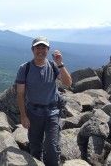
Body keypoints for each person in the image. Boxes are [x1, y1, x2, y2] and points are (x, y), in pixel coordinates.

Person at [16, 36, 72, 166]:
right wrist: (23, 116)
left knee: (51, 147)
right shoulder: (25, 68)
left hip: (52, 112)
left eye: (44, 48)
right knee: (35, 147)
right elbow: (20, 94)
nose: (40, 50)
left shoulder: (53, 66)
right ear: (32, 49)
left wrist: (60, 64)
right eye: (38, 47)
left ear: (48, 50)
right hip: (33, 112)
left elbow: (68, 83)